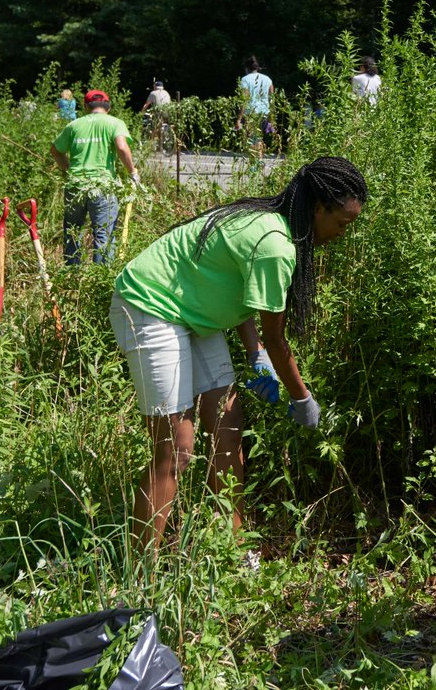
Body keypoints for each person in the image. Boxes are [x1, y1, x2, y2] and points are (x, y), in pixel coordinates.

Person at [109, 156, 368, 552]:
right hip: (149, 305)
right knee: (177, 449)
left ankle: (232, 548)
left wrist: (254, 355)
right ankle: (139, 574)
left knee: (227, 421)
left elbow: (243, 296)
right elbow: (279, 341)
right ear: (319, 208)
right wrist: (302, 398)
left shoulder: (272, 224)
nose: (343, 233)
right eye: (343, 223)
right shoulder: (275, 245)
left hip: (190, 313)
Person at [50, 89, 139, 265]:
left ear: (85, 106)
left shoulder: (74, 125)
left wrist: (68, 170)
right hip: (102, 188)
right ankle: (100, 280)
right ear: (109, 107)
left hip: (75, 187)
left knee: (72, 232)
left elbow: (55, 151)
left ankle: (71, 278)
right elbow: (121, 147)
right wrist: (132, 172)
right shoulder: (115, 123)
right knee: (103, 234)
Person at [237, 56, 274, 157]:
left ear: (246, 68)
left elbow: (245, 100)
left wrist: (239, 119)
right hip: (264, 113)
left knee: (252, 139)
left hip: (251, 114)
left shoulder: (245, 80)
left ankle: (255, 166)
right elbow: (272, 100)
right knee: (258, 138)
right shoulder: (268, 80)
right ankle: (259, 163)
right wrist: (272, 118)